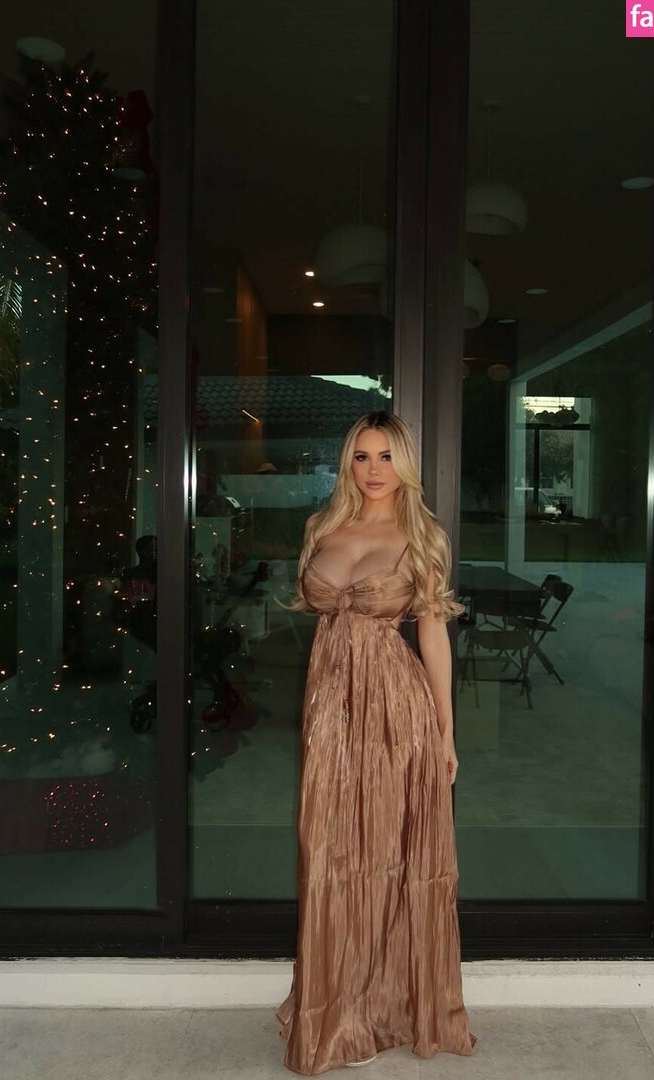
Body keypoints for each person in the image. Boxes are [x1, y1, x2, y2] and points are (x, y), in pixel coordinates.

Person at [276, 411, 477, 1074]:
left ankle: (386, 1007)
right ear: (347, 463)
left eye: (386, 456)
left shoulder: (422, 537)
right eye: (362, 456)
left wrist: (445, 731)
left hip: (396, 715)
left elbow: (433, 635)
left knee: (390, 856)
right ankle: (334, 1011)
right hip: (330, 716)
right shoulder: (322, 527)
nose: (373, 469)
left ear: (405, 463)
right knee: (330, 856)